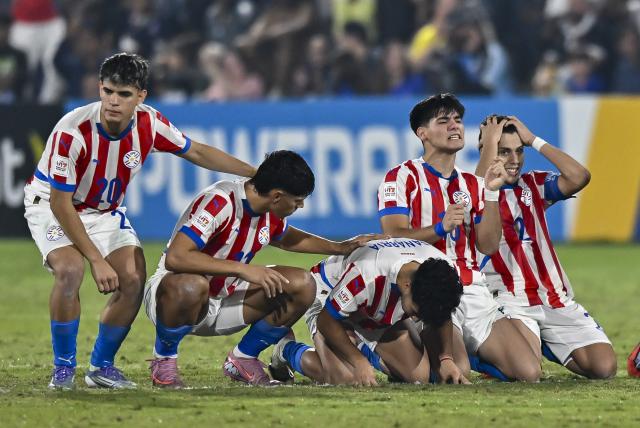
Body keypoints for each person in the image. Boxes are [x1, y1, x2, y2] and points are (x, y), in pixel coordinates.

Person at [23, 53, 256, 390]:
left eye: (124, 94)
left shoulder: (150, 123)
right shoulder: (73, 131)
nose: (113, 102)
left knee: (132, 277)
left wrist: (252, 171)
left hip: (104, 211)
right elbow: (61, 204)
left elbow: (198, 152)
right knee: (70, 270)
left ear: (141, 96)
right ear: (100, 88)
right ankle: (63, 369)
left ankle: (101, 367)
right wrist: (97, 259)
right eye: (107, 91)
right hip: (52, 206)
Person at [144, 150, 379, 388]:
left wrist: (339, 247)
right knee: (192, 285)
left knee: (302, 284)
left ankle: (243, 358)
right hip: (175, 299)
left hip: (224, 298)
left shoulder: (268, 210)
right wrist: (242, 270)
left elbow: (288, 238)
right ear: (277, 196)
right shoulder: (220, 202)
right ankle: (164, 360)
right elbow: (176, 257)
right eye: (297, 201)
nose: (301, 205)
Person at [377, 93, 541, 382]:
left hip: (472, 288)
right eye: (444, 121)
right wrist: (439, 229)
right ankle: (400, 349)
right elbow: (393, 236)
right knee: (454, 373)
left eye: (458, 120)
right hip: (429, 289)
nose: (455, 126)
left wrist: (491, 193)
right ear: (422, 133)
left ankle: (470, 350)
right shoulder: (401, 177)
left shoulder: (472, 183)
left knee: (529, 372)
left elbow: (488, 245)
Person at [475, 114, 616, 379]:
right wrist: (490, 147)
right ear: (487, 151)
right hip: (508, 300)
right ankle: (483, 356)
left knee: (604, 368)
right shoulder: (472, 190)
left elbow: (579, 176)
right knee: (528, 375)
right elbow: (479, 187)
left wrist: (534, 140)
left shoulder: (534, 184)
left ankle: (546, 342)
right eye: (504, 151)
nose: (514, 160)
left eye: (519, 151)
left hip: (554, 297)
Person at [269, 238, 467, 386]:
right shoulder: (366, 275)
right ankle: (286, 349)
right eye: (417, 311)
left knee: (418, 377)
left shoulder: (443, 272)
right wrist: (358, 361)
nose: (417, 318)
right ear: (407, 285)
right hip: (330, 297)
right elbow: (327, 320)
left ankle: (362, 347)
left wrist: (446, 359)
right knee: (346, 379)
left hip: (372, 306)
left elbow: (442, 313)